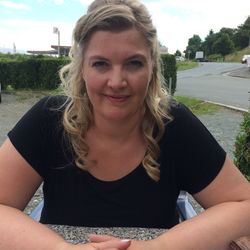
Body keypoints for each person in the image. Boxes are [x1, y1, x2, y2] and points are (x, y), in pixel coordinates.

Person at [0, 0, 250, 249]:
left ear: (152, 67)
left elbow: (244, 204)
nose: (117, 81)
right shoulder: (49, 118)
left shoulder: (174, 123)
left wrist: (157, 247)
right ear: (82, 69)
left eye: (134, 63)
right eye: (101, 64)